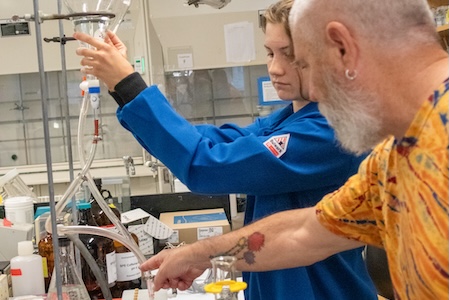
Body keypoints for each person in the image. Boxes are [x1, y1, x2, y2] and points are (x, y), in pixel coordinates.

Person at [133, 0, 448, 299]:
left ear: (343, 48)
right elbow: (304, 232)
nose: (314, 92)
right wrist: (197, 254)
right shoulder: (393, 157)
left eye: (307, 64)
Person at [74, 1, 378, 299]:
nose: (275, 68)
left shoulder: (331, 130)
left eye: (290, 55)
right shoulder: (288, 120)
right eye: (270, 53)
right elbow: (212, 142)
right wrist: (123, 90)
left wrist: (129, 84)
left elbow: (208, 164)